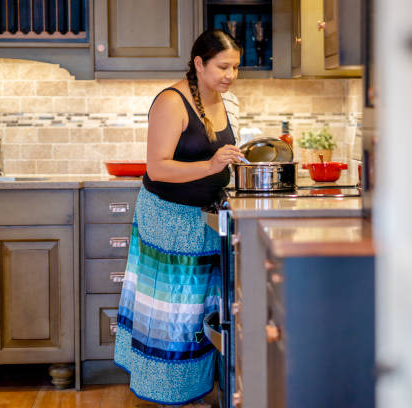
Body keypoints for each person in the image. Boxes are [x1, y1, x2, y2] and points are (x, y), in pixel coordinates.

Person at [114, 29, 244, 406]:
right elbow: (158, 169)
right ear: (199, 63)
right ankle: (165, 391)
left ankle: (196, 388)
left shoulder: (224, 100)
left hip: (203, 219)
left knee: (198, 310)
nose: (230, 75)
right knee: (172, 312)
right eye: (223, 66)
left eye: (235, 67)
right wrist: (212, 164)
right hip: (169, 219)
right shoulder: (171, 102)